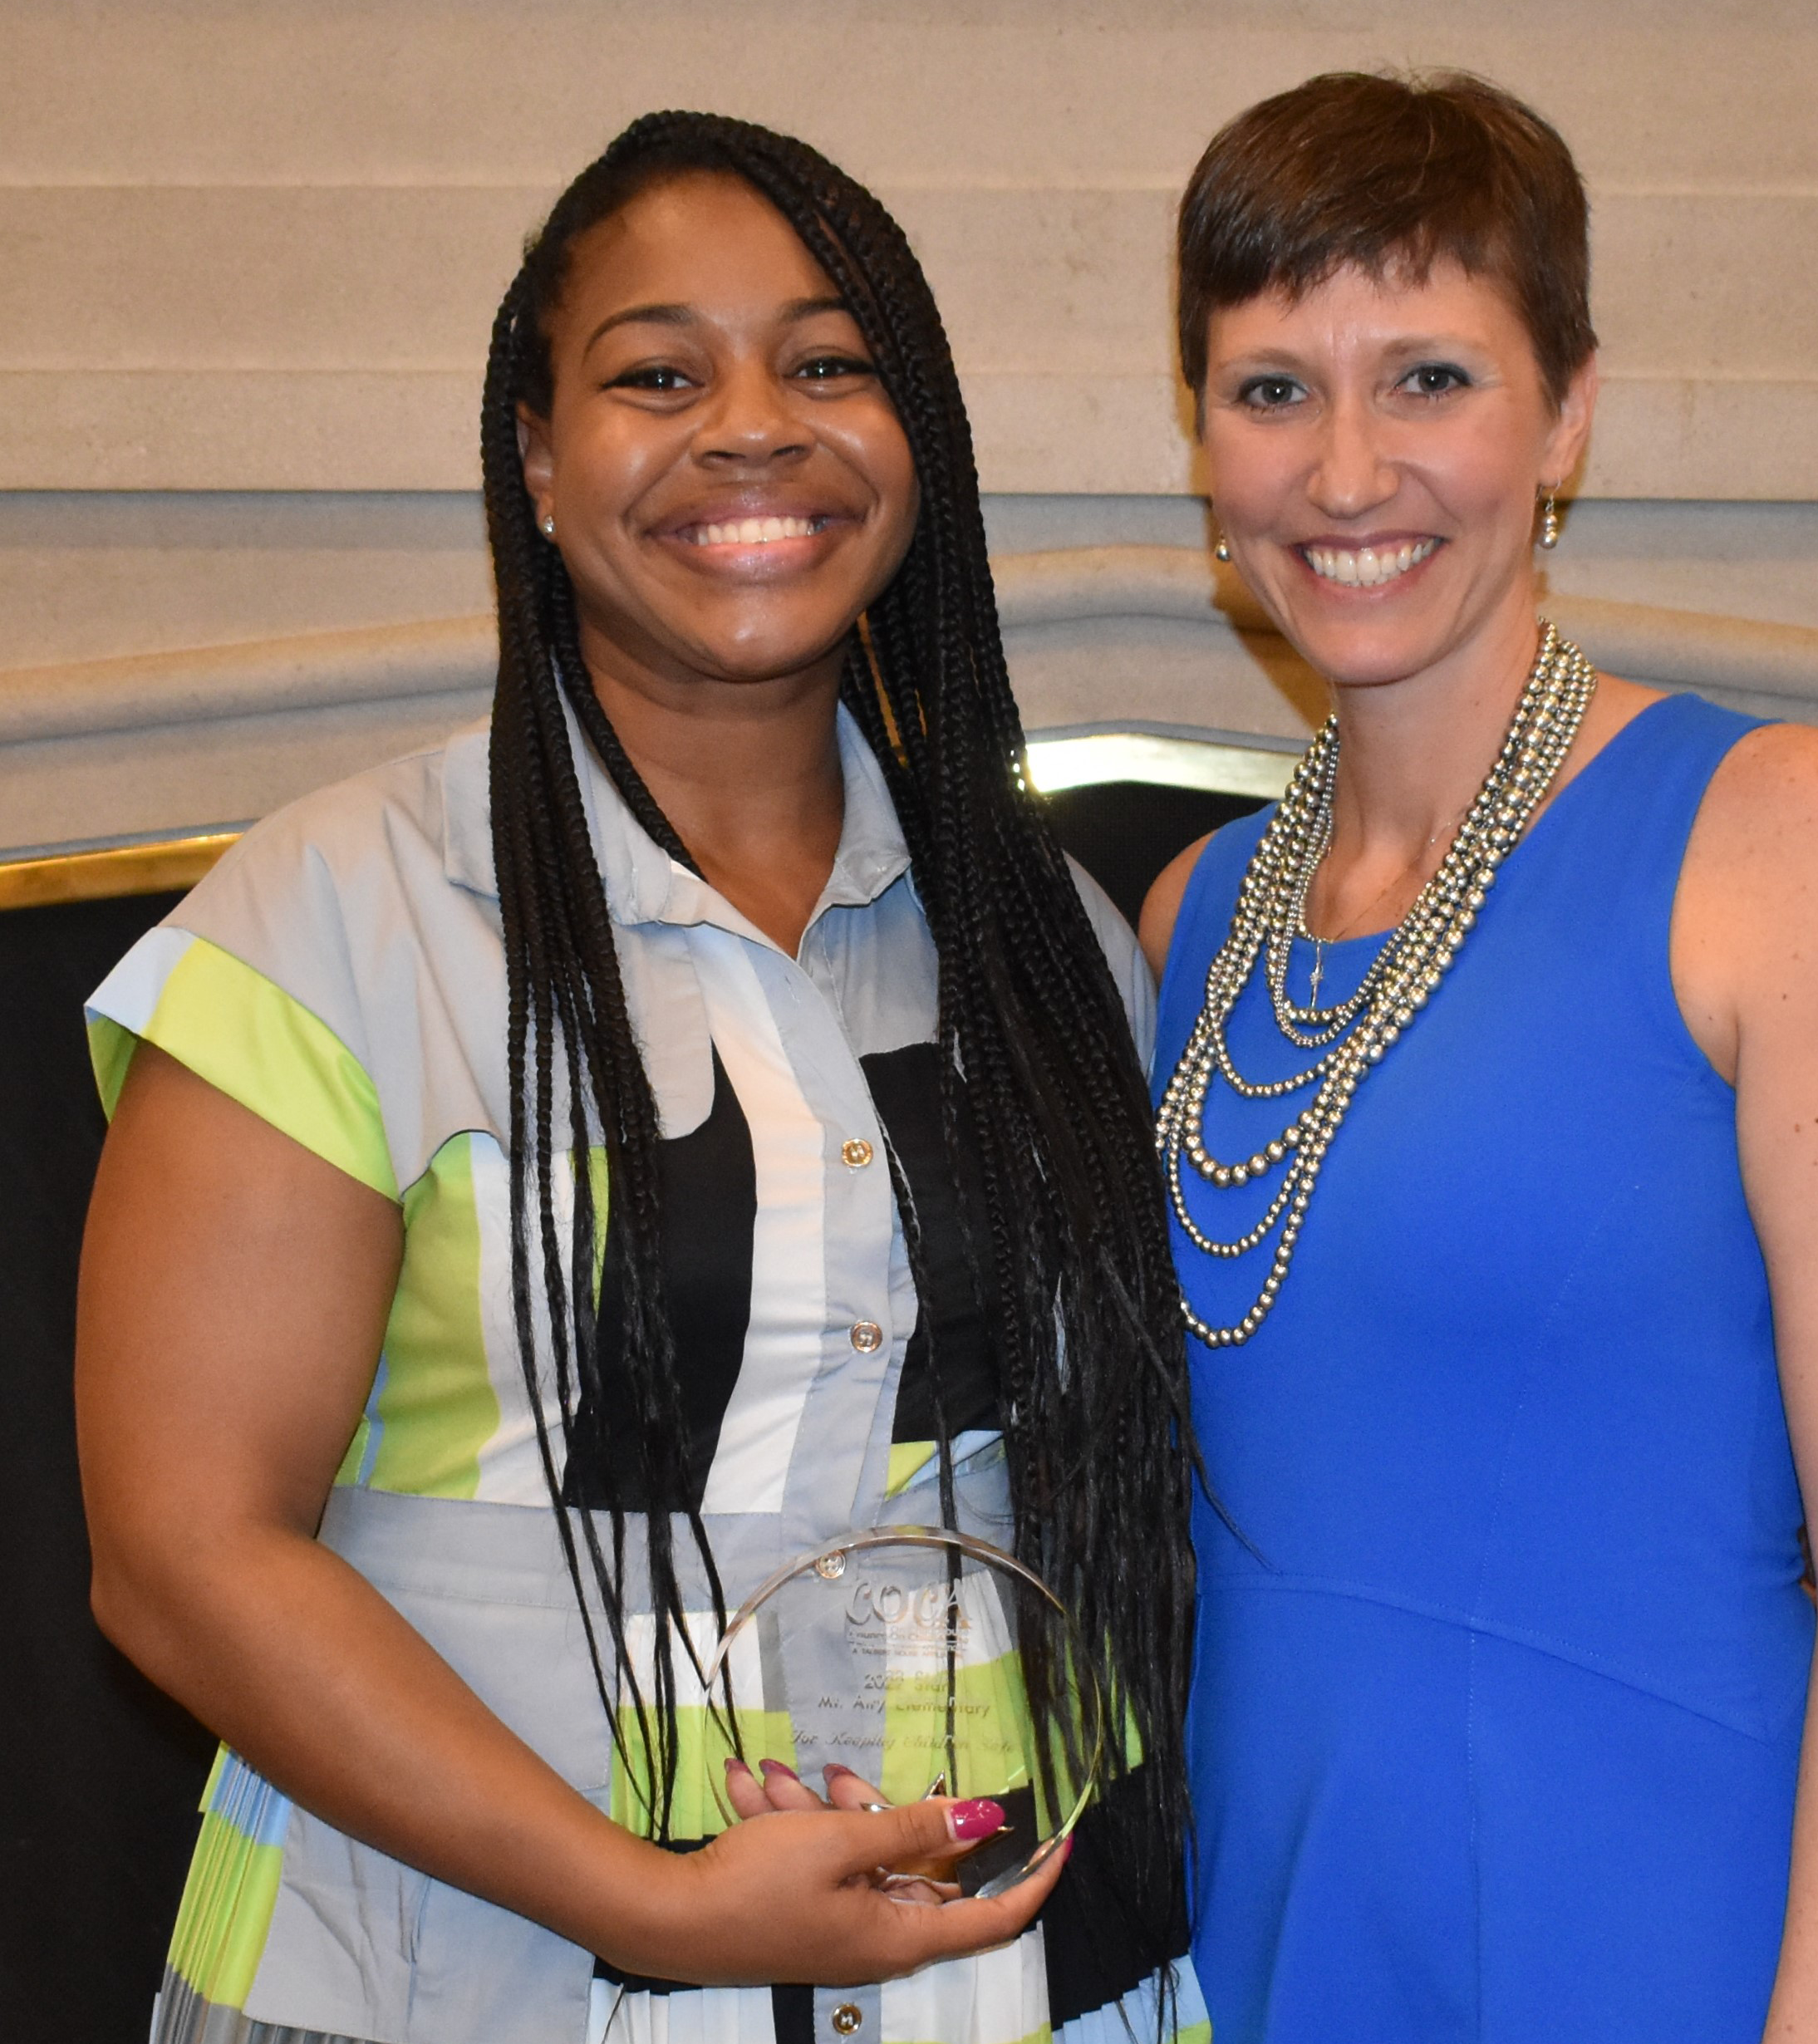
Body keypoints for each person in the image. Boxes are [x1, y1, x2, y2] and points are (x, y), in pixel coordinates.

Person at [76, 111, 1206, 2044]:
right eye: (657, 373)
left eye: (830, 363)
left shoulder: (1050, 944)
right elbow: (182, 1560)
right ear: (536, 456)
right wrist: (651, 1907)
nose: (753, 425)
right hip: (457, 1984)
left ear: (913, 438)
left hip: (1006, 1983)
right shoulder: (342, 917)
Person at [1139, 71, 1818, 2044]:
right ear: (1200, 439)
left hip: (1637, 1924)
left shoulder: (1793, 836)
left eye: (1431, 378)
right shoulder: (1190, 915)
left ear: (1573, 414)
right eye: (1273, 388)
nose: (1348, 472)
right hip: (1248, 1925)